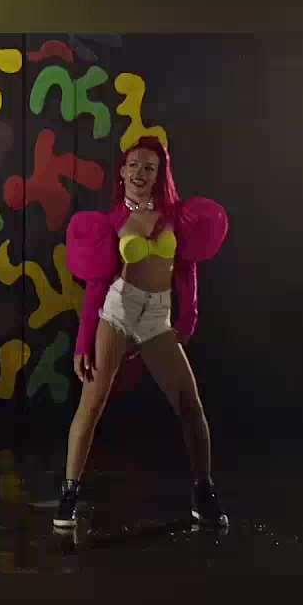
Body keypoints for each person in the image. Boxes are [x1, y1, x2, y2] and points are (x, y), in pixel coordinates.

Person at [54, 136, 230, 530]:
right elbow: (96, 284)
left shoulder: (175, 217)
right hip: (118, 311)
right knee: (92, 404)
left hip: (157, 317)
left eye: (149, 167)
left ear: (159, 174)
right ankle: (69, 493)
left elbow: (186, 269)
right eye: (133, 165)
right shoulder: (112, 221)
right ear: (122, 171)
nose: (139, 173)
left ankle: (203, 491)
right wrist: (83, 342)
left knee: (189, 404)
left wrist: (188, 320)